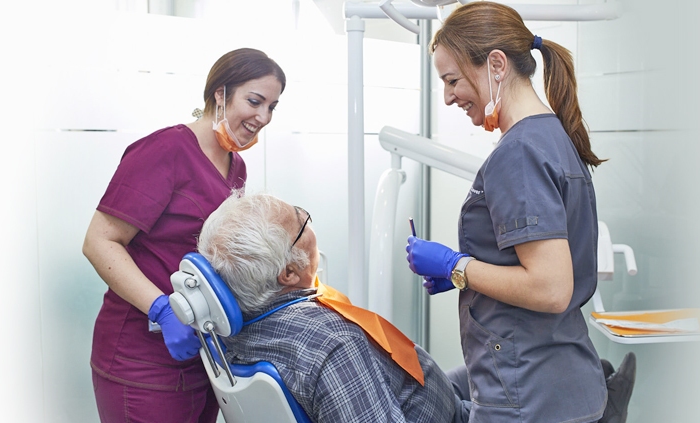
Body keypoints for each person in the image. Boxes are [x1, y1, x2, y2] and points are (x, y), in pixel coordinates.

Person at [195, 192, 636, 423]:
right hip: (453, 418)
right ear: (287, 275)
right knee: (545, 379)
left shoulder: (240, 325)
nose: (310, 223)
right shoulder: (332, 346)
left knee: (502, 366)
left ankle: (596, 378)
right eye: (300, 222)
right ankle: (601, 411)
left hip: (416, 392)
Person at [404, 2, 617, 422]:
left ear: (496, 64)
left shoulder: (518, 152)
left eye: (451, 80)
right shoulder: (553, 135)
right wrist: (472, 275)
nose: (447, 97)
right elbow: (536, 262)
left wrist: (457, 266)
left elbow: (551, 288)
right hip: (562, 380)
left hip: (531, 393)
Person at [81, 48, 285, 423]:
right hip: (141, 359)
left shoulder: (235, 165)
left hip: (202, 357)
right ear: (220, 94)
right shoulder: (166, 150)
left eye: (273, 106)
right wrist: (162, 310)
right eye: (255, 101)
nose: (263, 117)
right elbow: (99, 241)